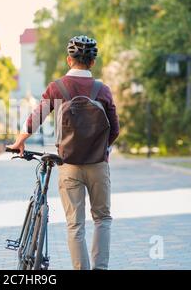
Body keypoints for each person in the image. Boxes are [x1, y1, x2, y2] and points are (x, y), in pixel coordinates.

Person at [8, 35, 120, 270]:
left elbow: (36, 117)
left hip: (68, 165)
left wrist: (20, 141)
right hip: (98, 165)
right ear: (92, 63)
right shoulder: (103, 90)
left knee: (75, 224)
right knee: (102, 219)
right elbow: (115, 130)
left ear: (69, 60)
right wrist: (101, 150)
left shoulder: (57, 88)